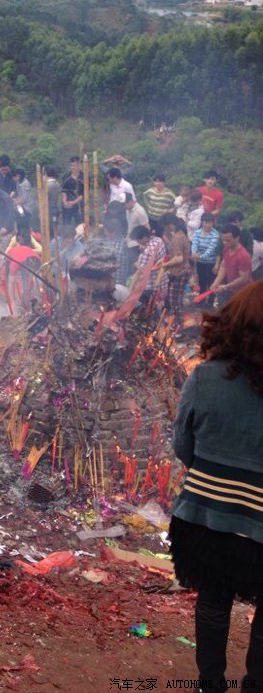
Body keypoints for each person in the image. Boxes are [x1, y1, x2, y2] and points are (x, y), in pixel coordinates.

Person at [169, 280, 263, 692]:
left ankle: (210, 685)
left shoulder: (204, 377)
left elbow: (183, 446)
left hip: (205, 518)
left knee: (212, 602)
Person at [210, 224, 252, 307]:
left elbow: (244, 278)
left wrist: (225, 287)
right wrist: (216, 282)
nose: (225, 243)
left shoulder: (243, 256)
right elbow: (223, 266)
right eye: (223, 240)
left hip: (243, 292)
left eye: (228, 240)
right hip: (231, 289)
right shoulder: (226, 249)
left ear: (237, 238)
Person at [162, 215, 191, 330]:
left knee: (174, 299)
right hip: (182, 271)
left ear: (170, 225)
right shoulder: (181, 234)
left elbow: (179, 258)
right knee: (177, 298)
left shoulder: (178, 237)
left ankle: (178, 324)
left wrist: (165, 265)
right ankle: (178, 322)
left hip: (180, 272)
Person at [131, 224, 168, 310]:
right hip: (162, 279)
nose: (138, 243)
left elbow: (142, 270)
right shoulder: (158, 240)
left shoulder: (148, 251)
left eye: (138, 240)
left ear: (144, 237)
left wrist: (136, 264)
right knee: (158, 305)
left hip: (151, 284)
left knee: (148, 308)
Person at [191, 213, 220, 295]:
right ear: (202, 222)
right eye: (206, 222)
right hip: (200, 262)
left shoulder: (215, 234)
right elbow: (194, 244)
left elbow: (211, 249)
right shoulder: (197, 232)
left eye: (210, 223)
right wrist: (194, 252)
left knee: (210, 282)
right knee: (201, 282)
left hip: (210, 262)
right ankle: (202, 298)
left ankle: (210, 299)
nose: (208, 225)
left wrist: (200, 256)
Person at [125, 192, 149, 270]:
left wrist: (144, 244)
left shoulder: (139, 211)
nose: (123, 207)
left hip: (137, 244)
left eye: (124, 204)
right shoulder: (128, 209)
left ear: (130, 201)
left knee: (136, 266)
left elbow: (147, 227)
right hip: (129, 242)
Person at [61, 156, 84, 225]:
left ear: (79, 165)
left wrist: (74, 202)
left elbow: (84, 193)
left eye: (74, 165)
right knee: (66, 224)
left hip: (80, 206)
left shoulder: (84, 177)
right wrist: (65, 202)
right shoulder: (65, 176)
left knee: (80, 226)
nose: (72, 167)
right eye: (71, 165)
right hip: (68, 206)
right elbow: (63, 191)